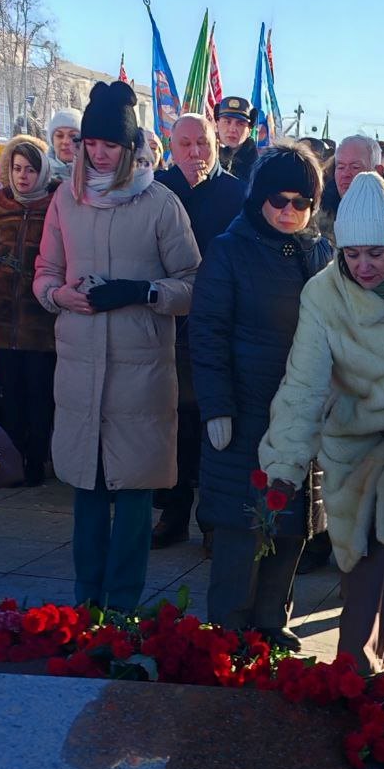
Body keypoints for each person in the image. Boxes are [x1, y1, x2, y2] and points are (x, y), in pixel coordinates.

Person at [33, 81, 200, 611]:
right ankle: (85, 604)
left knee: (133, 495)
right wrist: (58, 295)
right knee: (86, 490)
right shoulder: (65, 198)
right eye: (91, 143)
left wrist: (143, 291)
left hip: (140, 374)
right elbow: (45, 272)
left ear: (130, 148)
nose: (99, 153)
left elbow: (193, 284)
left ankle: (124, 608)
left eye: (109, 144)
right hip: (80, 367)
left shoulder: (161, 203)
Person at [260, 173, 384, 673]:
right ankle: (361, 666)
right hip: (350, 435)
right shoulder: (323, 294)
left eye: (376, 253)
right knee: (355, 552)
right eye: (352, 254)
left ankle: (361, 665)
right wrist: (284, 464)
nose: (363, 265)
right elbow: (304, 382)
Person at [189, 142, 333, 648]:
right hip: (246, 408)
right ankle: (228, 631)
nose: (289, 211)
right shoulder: (229, 250)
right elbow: (207, 331)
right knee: (241, 525)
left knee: (290, 519)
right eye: (279, 200)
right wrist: (216, 406)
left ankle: (272, 620)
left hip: (302, 409)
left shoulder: (320, 252)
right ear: (259, 199)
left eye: (301, 202)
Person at [152, 113, 246, 549]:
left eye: (203, 143)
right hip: (165, 326)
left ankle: (212, 522)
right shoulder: (157, 191)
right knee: (172, 426)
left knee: (214, 426)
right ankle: (173, 514)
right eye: (185, 144)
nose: (195, 153)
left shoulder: (237, 195)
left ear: (216, 145)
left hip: (217, 328)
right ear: (171, 147)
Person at [0, 135, 61, 487]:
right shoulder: (1, 210)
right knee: (9, 396)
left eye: (30, 169)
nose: (23, 176)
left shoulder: (54, 209)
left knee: (39, 396)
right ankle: (12, 460)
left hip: (40, 325)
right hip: (2, 323)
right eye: (17, 169)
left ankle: (36, 460)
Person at [316, 134, 381, 243]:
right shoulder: (318, 212)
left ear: (377, 171)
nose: (345, 174)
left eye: (355, 167)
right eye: (340, 167)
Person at [215, 96, 258, 183]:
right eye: (227, 122)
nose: (232, 129)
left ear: (249, 129)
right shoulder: (201, 158)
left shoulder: (259, 169)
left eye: (240, 124)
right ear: (217, 124)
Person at [47, 109, 82, 180]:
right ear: (52, 141)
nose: (65, 141)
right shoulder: (38, 174)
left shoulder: (98, 175)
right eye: (59, 136)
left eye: (73, 136)